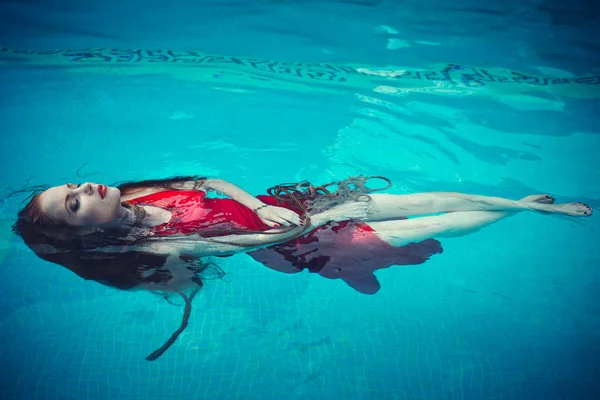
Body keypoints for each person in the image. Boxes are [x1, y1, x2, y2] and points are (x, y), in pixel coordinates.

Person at [10, 175, 592, 360]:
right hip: (297, 241)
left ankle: (521, 204)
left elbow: (209, 180)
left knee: (415, 199)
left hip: (292, 210)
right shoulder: (154, 248)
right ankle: (523, 216)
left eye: (71, 186)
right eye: (74, 202)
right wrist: (303, 226)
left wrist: (264, 204)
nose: (83, 186)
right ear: (83, 228)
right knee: (423, 225)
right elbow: (232, 249)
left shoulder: (139, 189)